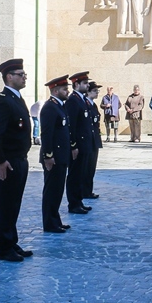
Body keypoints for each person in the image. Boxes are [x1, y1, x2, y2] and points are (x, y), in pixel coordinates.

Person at [0, 59, 33, 263]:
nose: (24, 77)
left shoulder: (16, 98)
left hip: (19, 158)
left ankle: (11, 241)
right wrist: (0, 160)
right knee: (4, 204)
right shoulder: (3, 100)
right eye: (20, 74)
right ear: (9, 76)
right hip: (8, 161)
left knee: (14, 203)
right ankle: (4, 247)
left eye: (24, 74)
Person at [39, 76, 72, 233]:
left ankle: (55, 220)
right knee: (52, 191)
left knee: (58, 191)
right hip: (54, 158)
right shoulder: (50, 107)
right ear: (55, 90)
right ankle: (50, 223)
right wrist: (48, 156)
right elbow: (46, 134)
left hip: (61, 156)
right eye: (65, 89)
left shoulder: (60, 106)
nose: (68, 91)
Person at [65, 72, 93, 215]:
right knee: (75, 175)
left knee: (81, 174)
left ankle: (79, 201)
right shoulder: (73, 101)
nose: (88, 85)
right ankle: (73, 203)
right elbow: (72, 126)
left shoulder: (82, 100)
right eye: (85, 83)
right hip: (78, 146)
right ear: (76, 84)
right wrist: (73, 145)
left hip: (85, 145)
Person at [86, 82, 104, 200]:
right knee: (86, 168)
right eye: (95, 91)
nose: (97, 93)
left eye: (98, 91)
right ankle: (84, 190)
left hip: (94, 140)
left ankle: (88, 190)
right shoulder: (85, 104)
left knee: (91, 167)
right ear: (88, 92)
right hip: (87, 140)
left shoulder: (93, 105)